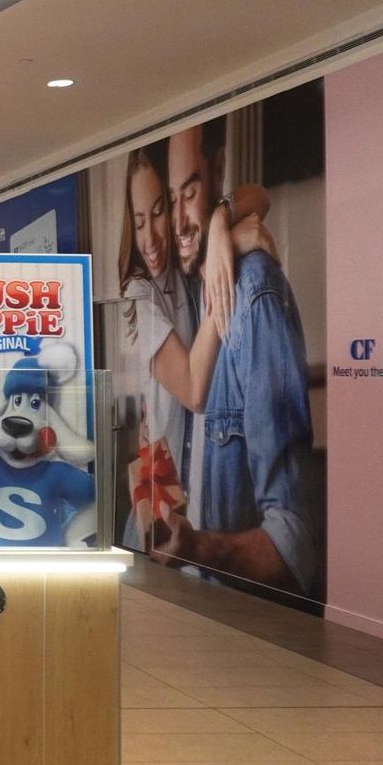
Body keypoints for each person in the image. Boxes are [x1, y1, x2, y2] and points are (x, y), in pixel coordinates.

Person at [153, 122, 319, 596]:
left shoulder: (253, 293)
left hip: (234, 617)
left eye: (190, 193)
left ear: (219, 170)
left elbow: (293, 545)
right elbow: (257, 196)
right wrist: (224, 228)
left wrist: (198, 548)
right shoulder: (172, 292)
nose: (178, 222)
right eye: (170, 201)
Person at [117, 140, 273, 547]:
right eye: (138, 222)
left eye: (159, 212)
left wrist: (220, 224)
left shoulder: (182, 266)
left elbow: (260, 195)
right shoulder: (136, 294)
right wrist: (228, 254)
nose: (150, 238)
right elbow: (193, 390)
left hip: (199, 504)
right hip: (158, 517)